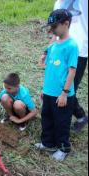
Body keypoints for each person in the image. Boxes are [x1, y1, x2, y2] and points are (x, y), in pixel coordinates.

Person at [35, 9, 78, 161]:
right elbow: (50, 70)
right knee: (46, 118)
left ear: (66, 24)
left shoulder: (71, 46)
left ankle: (63, 147)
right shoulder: (54, 45)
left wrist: (64, 93)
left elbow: (72, 71)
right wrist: (44, 89)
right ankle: (48, 143)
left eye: (54, 27)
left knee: (61, 122)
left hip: (62, 94)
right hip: (49, 91)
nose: (51, 30)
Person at [39, 0, 88, 132]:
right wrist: (47, 51)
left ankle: (75, 119)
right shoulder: (59, 3)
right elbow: (55, 31)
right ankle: (65, 118)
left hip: (79, 50)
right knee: (57, 85)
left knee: (69, 88)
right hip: (58, 51)